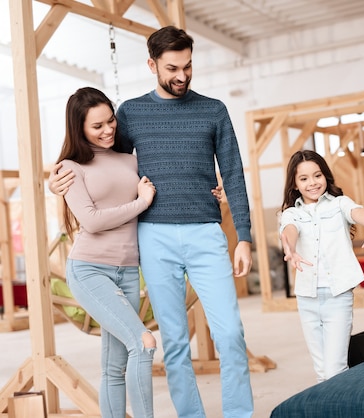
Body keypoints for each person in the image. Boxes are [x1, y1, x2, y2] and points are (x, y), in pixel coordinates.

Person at [50, 26, 254, 418]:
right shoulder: (129, 113)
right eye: (172, 68)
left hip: (206, 233)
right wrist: (56, 179)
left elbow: (233, 172)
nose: (182, 75)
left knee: (230, 333)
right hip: (153, 237)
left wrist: (243, 236)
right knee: (174, 342)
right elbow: (101, 161)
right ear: (151, 64)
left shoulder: (214, 110)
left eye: (188, 66)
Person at [57, 87, 157, 418]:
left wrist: (213, 188)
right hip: (89, 269)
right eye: (96, 126)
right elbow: (92, 221)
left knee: (115, 366)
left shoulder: (130, 159)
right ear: (79, 129)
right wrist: (140, 202)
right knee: (143, 343)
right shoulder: (69, 168)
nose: (108, 130)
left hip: (128, 270)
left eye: (110, 120)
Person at [279, 150, 364, 383]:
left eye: (317, 175)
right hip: (307, 299)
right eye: (304, 178)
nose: (312, 183)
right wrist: (291, 247)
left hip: (338, 297)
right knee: (321, 372)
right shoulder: (291, 213)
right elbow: (290, 230)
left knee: (335, 369)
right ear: (295, 184)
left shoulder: (339, 204)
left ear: (325, 176)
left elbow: (357, 212)